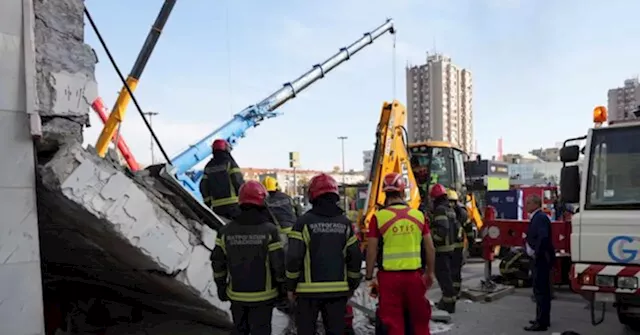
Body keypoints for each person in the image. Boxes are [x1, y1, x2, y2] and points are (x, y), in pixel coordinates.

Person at [286, 173, 362, 335]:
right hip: (338, 292)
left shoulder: (303, 223)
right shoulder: (345, 223)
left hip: (307, 293)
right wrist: (352, 283)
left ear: (312, 196)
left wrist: (290, 286)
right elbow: (354, 256)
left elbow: (293, 257)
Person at [210, 180, 285, 335]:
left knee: (239, 331)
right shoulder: (270, 230)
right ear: (262, 201)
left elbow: (218, 263)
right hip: (264, 297)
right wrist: (283, 290)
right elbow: (278, 265)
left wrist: (221, 287)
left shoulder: (225, 231)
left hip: (236, 296)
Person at [365, 172, 436, 335]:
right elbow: (430, 248)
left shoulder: (379, 217)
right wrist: (430, 273)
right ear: (403, 191)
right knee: (419, 321)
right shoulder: (418, 216)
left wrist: (369, 276)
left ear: (385, 193)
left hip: (389, 279)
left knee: (392, 323)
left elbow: (372, 250)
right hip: (414, 278)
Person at [524, 194, 555, 331]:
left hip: (541, 259)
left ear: (535, 204)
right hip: (541, 258)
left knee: (541, 291)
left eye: (528, 202)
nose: (526, 205)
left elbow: (543, 237)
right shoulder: (537, 217)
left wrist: (536, 252)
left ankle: (541, 322)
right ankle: (542, 319)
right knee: (541, 290)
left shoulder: (540, 218)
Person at [430, 183, 460, 313]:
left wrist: (432, 239)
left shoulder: (440, 210)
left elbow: (442, 230)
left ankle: (448, 304)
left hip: (442, 250)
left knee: (444, 278)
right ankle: (448, 300)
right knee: (447, 277)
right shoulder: (449, 209)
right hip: (450, 248)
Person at [200, 139, 245, 220]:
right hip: (233, 205)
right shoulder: (230, 163)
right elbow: (238, 181)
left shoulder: (208, 166)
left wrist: (208, 202)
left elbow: (203, 186)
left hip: (217, 207)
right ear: (226, 148)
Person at [447, 189, 474, 298]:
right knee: (455, 270)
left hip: (449, 247)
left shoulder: (444, 211)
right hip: (457, 246)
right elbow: (469, 229)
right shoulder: (462, 212)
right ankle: (455, 291)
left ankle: (452, 291)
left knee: (451, 270)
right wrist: (471, 243)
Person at [262, 176, 300, 249]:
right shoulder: (287, 197)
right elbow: (297, 209)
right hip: (293, 229)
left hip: (278, 232)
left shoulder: (265, 201)